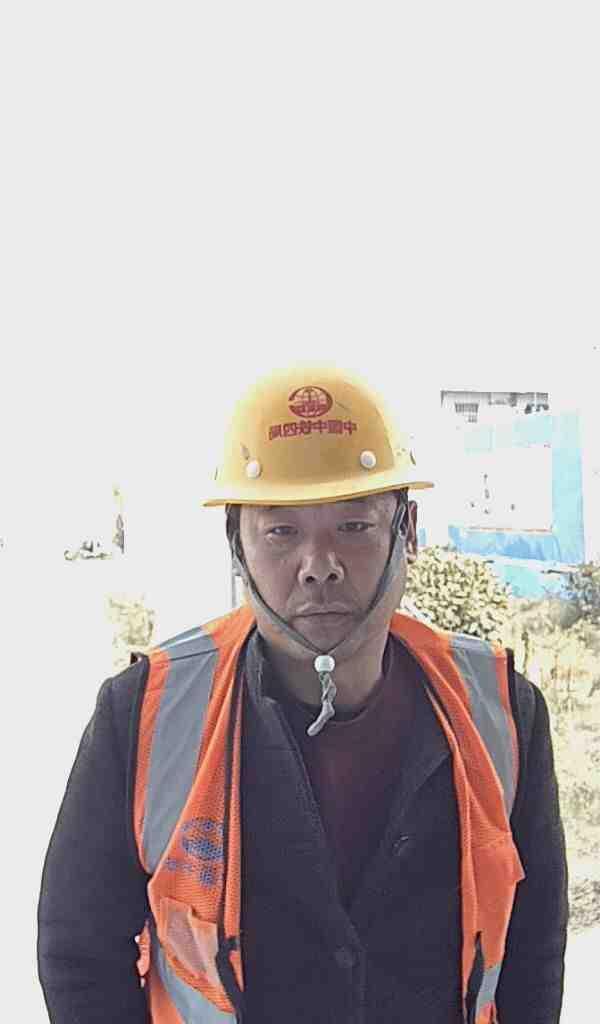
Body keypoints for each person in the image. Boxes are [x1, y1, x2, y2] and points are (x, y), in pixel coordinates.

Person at [37, 365, 568, 1024]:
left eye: (355, 525)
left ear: (407, 531)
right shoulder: (143, 716)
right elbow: (81, 955)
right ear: (237, 544)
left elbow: (534, 952)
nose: (319, 565)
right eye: (281, 531)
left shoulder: (502, 711)